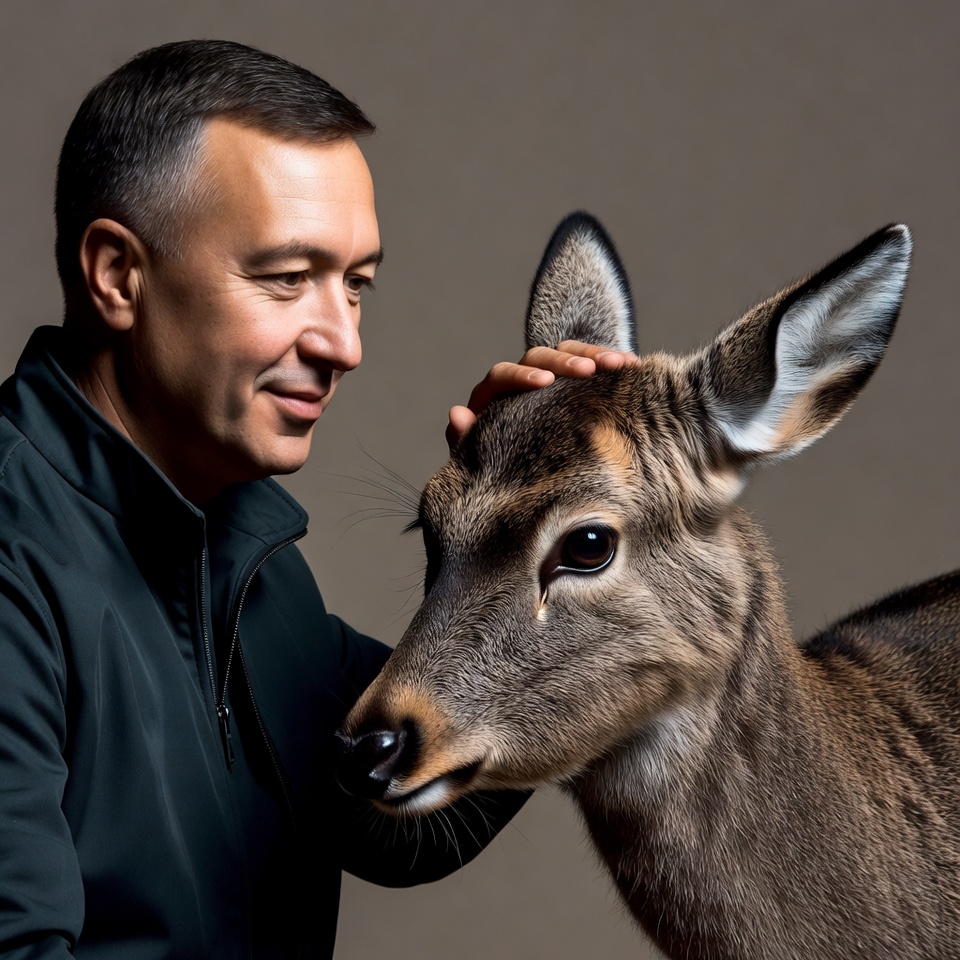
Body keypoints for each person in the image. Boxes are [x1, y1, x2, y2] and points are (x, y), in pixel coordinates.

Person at [0, 39, 634, 959]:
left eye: (358, 285)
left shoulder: (248, 560)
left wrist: (515, 536)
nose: (343, 344)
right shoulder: (16, 558)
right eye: (288, 279)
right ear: (117, 276)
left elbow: (393, 819)